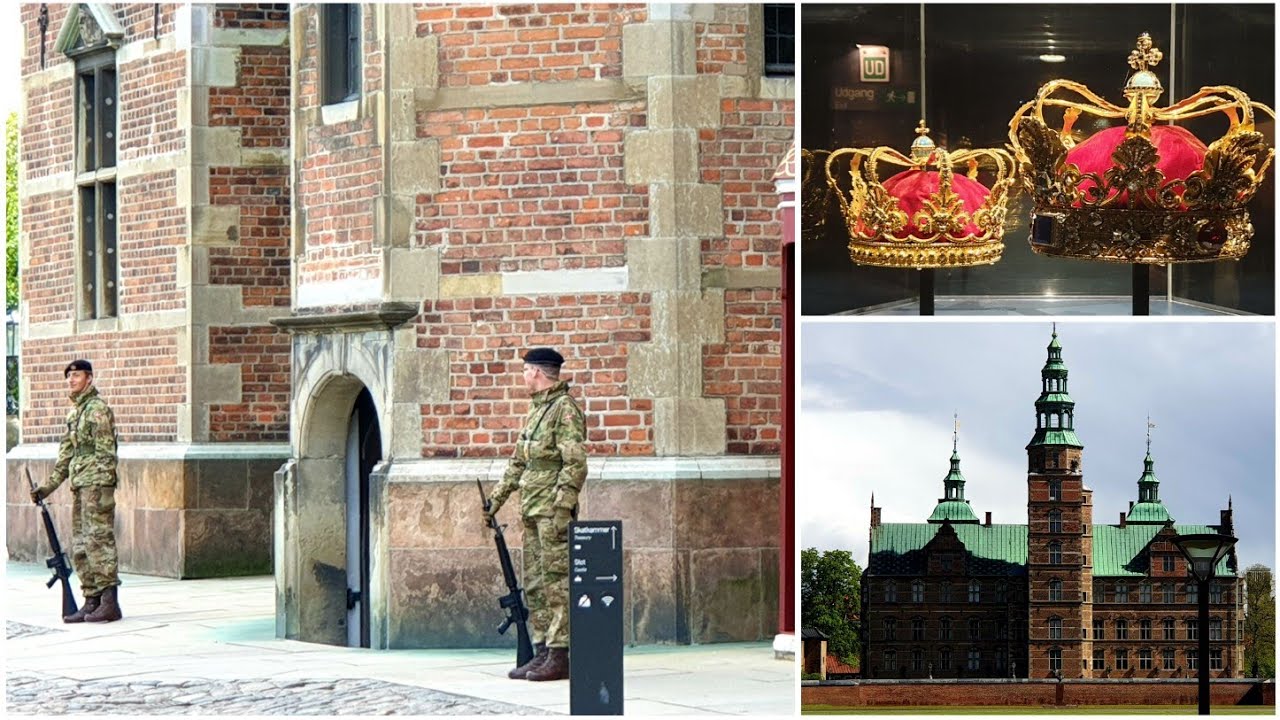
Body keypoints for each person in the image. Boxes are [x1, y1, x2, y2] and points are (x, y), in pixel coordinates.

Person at [486, 348, 587, 682]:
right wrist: (496, 500)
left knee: (557, 583)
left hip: (551, 511)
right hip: (531, 507)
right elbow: (519, 461)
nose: (523, 376)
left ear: (537, 373)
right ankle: (542, 650)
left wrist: (562, 507)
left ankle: (561, 653)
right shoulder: (537, 410)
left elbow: (575, 464)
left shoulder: (564, 409)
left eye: (525, 370)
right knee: (535, 583)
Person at [31, 359, 123, 623]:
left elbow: (107, 452)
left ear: (89, 379)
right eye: (69, 377)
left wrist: (103, 487)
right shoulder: (74, 414)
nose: (71, 380)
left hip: (96, 485)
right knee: (81, 543)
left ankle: (109, 602)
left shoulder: (97, 410)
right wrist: (47, 487)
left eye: (77, 376)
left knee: (99, 540)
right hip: (81, 485)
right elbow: (65, 456)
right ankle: (91, 600)